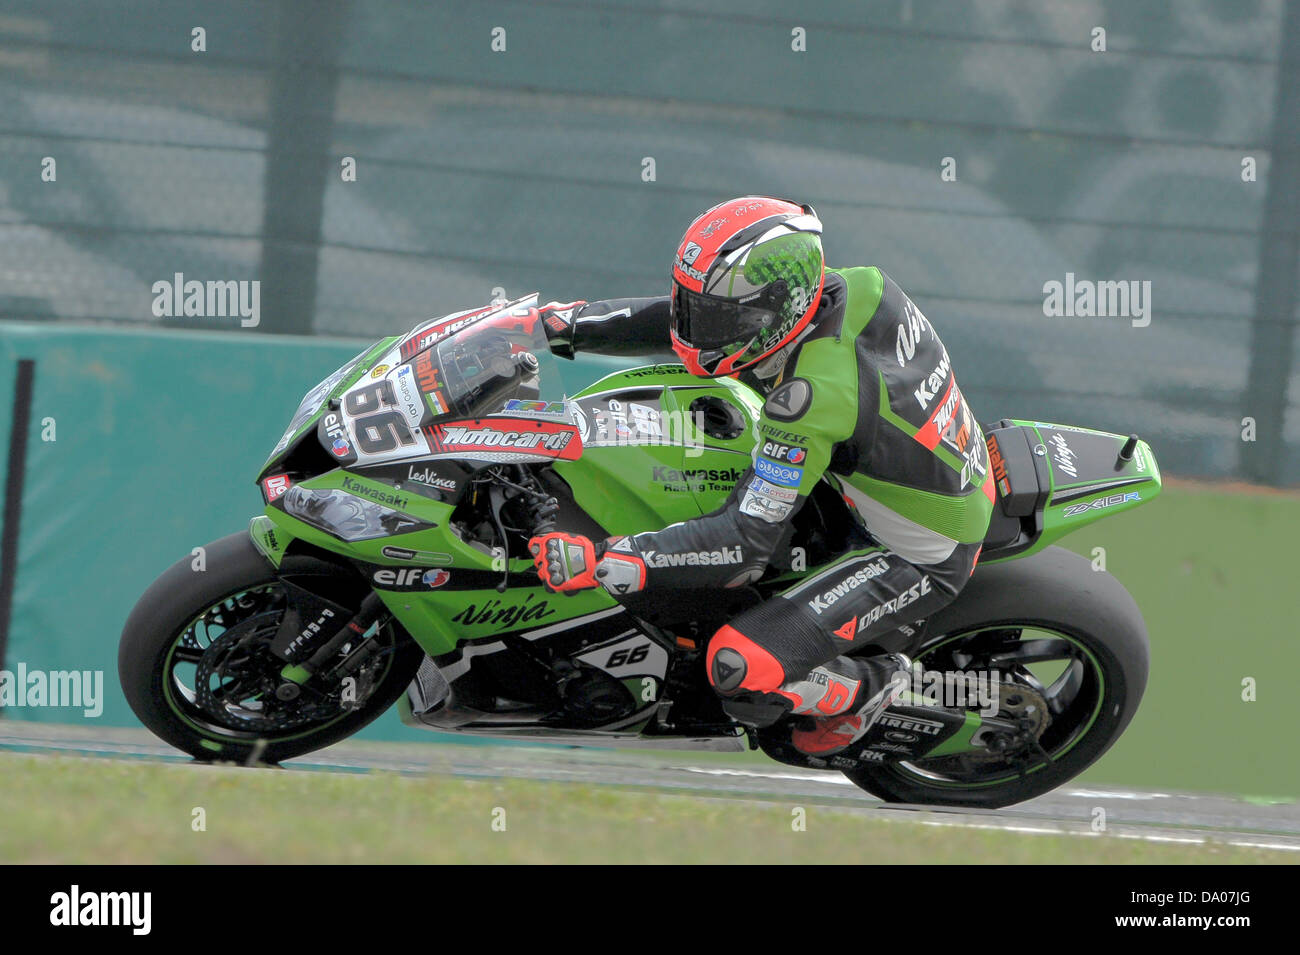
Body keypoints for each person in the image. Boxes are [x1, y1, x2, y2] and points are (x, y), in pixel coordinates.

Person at [526, 196, 994, 756]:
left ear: (777, 311)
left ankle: (871, 685)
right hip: (895, 465)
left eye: (719, 317)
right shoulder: (854, 286)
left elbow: (740, 545)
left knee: (737, 668)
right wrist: (568, 327)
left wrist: (606, 560)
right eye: (691, 304)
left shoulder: (811, 401)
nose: (695, 328)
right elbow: (681, 328)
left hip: (922, 551)